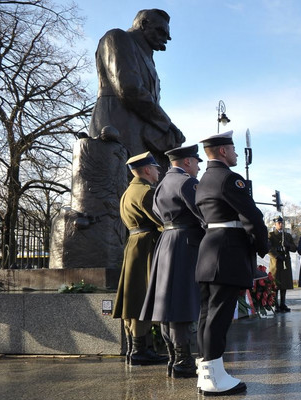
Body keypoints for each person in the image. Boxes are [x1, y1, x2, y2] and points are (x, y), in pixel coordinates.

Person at [194, 130, 269, 396]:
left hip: (208, 251)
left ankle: (207, 373)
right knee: (219, 316)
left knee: (207, 315)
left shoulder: (203, 179)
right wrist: (262, 247)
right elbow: (253, 217)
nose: (237, 153)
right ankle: (214, 377)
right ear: (223, 151)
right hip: (227, 252)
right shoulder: (229, 178)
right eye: (234, 149)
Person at [139, 144, 204, 378]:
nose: (198, 166)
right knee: (182, 304)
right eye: (197, 161)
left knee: (168, 304)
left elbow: (158, 215)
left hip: (166, 242)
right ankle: (184, 362)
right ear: (187, 162)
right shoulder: (187, 183)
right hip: (185, 243)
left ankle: (174, 359)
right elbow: (202, 214)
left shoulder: (160, 186)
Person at [90, 9, 184, 167]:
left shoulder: (149, 60)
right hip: (116, 128)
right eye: (161, 31)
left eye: (168, 35)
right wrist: (167, 124)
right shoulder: (118, 37)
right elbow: (129, 88)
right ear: (144, 24)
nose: (166, 39)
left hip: (142, 137)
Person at [112, 151, 167, 366]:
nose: (158, 171)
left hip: (135, 245)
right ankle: (140, 351)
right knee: (144, 297)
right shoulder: (146, 192)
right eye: (155, 168)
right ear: (146, 170)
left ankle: (137, 349)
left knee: (134, 297)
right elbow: (162, 221)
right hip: (146, 247)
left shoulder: (128, 192)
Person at [268, 216, 297, 313]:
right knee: (276, 285)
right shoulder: (271, 235)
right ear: (275, 224)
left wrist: (288, 245)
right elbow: (268, 248)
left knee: (284, 284)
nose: (281, 224)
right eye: (278, 223)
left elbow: (294, 248)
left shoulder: (287, 236)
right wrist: (276, 256)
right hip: (276, 262)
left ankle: (283, 303)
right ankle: (275, 304)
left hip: (285, 261)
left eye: (282, 223)